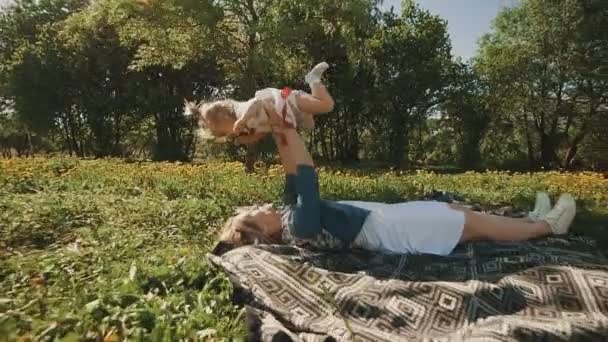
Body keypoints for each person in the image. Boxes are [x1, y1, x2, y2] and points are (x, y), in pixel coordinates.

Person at [214, 98, 577, 257]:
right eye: (253, 213)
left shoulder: (287, 214)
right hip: (393, 232)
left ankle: (529, 220)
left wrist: (280, 134)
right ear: (262, 232)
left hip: (384, 217)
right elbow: (307, 180)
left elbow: (292, 177)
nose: (258, 205)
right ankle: (545, 227)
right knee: (469, 221)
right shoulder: (299, 227)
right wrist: (290, 132)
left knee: (452, 208)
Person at [185, 62, 334, 145]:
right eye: (227, 133)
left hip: (286, 100)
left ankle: (312, 79)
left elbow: (257, 102)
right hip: (290, 116)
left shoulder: (242, 112)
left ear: (225, 114)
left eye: (226, 129)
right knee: (310, 127)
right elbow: (260, 133)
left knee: (326, 105)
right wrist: (248, 138)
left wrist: (242, 119)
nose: (234, 131)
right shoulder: (248, 128)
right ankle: (307, 108)